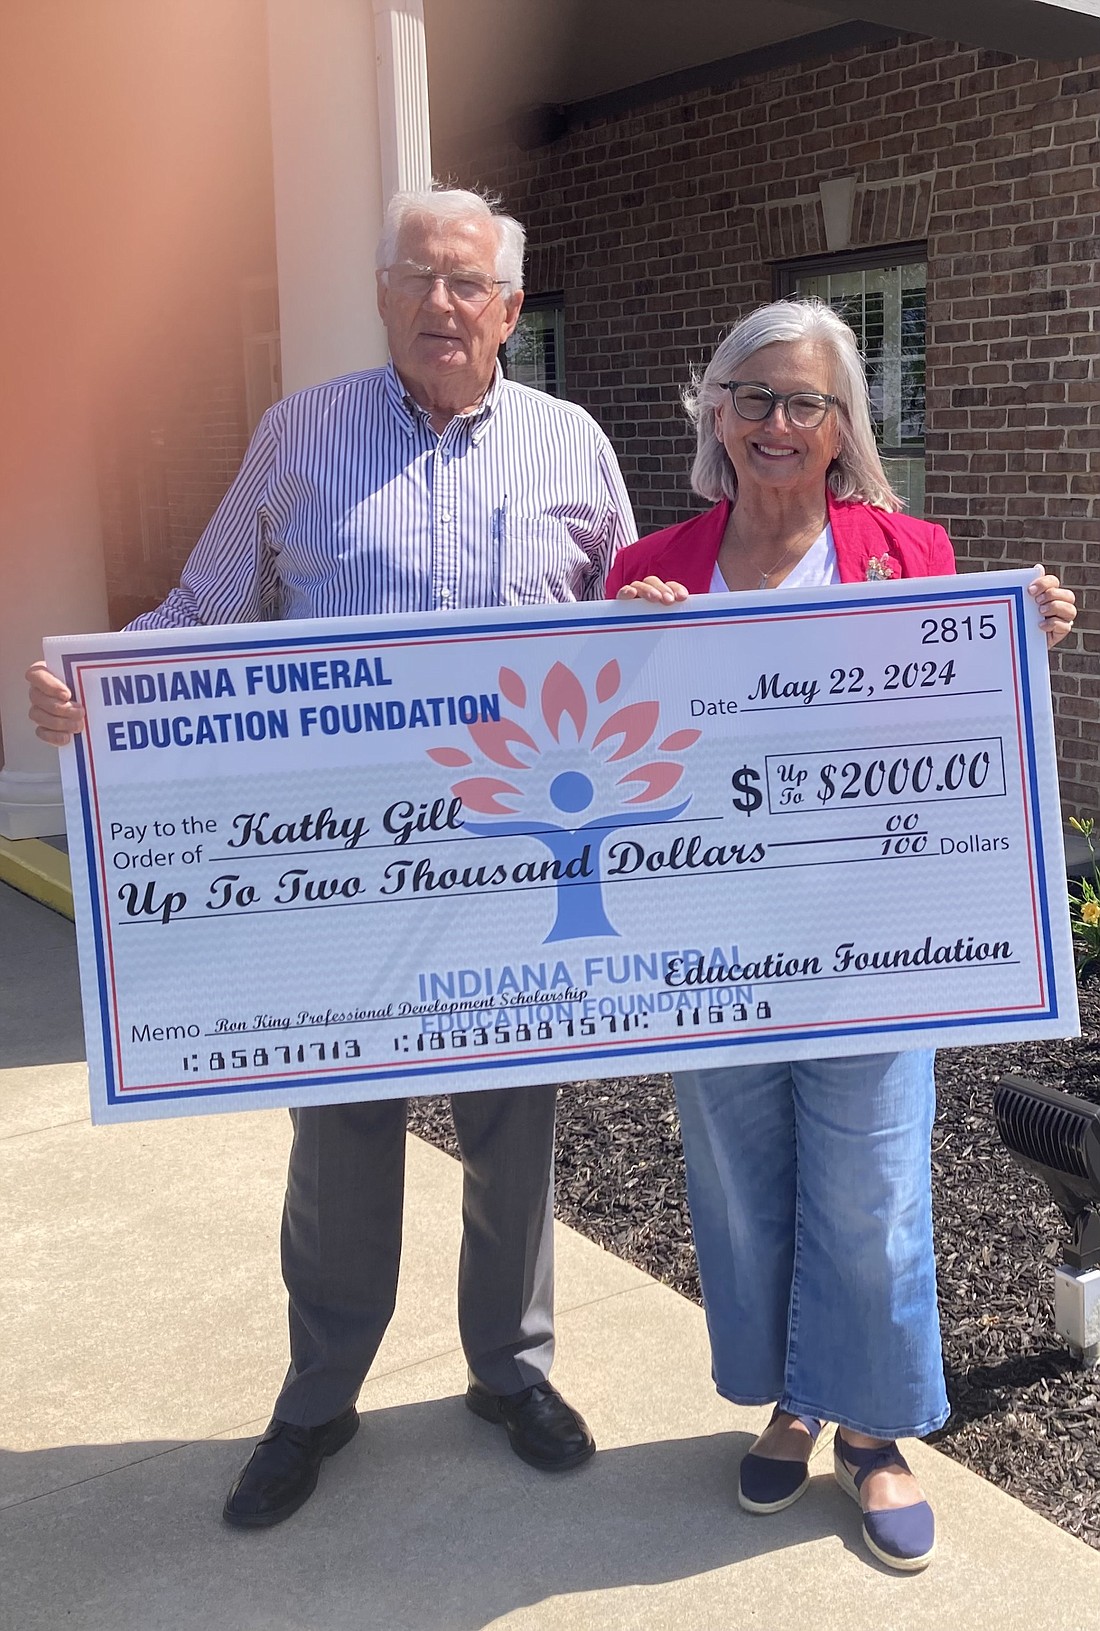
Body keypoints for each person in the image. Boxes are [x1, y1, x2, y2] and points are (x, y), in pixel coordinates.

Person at [27, 185, 636, 1528]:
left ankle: (509, 1368)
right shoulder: (301, 433)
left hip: (515, 864)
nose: (442, 302)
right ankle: (320, 1393)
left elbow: (624, 633)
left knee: (512, 1131)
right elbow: (203, 605)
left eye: (469, 282)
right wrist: (97, 680)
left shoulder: (572, 443)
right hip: (343, 872)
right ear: (383, 293)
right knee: (343, 1136)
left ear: (512, 307)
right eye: (419, 275)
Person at [606, 298, 1077, 1572]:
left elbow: (953, 722)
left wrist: (1015, 640)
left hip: (874, 943)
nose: (774, 422)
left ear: (839, 426)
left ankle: (870, 1430)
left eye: (802, 401)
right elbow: (601, 756)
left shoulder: (909, 550)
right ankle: (793, 1398)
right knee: (742, 1185)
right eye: (751, 395)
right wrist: (623, 646)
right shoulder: (649, 563)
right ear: (714, 409)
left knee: (868, 1191)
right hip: (707, 949)